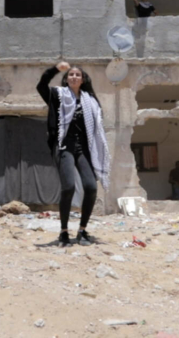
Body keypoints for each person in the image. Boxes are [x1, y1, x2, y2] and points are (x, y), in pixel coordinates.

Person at [37, 61, 110, 247]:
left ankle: (82, 230)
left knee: (91, 187)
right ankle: (63, 231)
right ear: (66, 79)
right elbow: (41, 85)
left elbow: (97, 126)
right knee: (68, 187)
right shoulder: (57, 96)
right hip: (64, 146)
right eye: (71, 74)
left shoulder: (90, 100)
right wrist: (55, 69)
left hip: (83, 148)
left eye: (78, 75)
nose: (74, 77)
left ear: (83, 79)